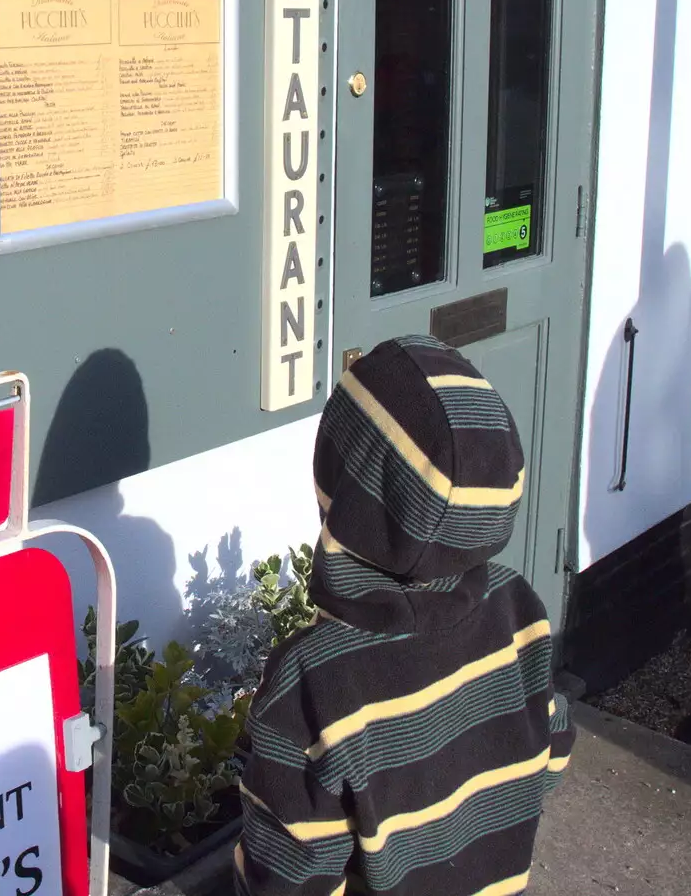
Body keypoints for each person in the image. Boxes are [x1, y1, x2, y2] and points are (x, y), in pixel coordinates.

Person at [237, 335, 573, 896]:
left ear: (340, 486)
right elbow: (551, 748)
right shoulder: (518, 610)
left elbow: (289, 879)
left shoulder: (314, 680)